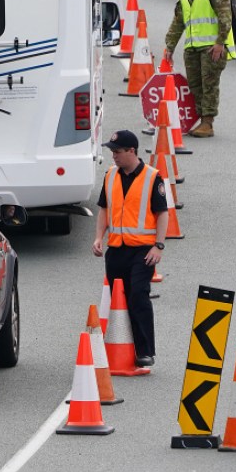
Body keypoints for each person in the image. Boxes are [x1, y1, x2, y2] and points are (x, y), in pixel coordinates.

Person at [92, 129, 169, 367]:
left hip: (143, 250)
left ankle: (145, 351)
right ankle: (121, 347)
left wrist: (158, 246)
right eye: (112, 152)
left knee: (138, 294)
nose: (113, 156)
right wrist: (98, 238)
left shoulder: (151, 177)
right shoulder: (110, 176)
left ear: (132, 151)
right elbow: (104, 209)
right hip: (116, 249)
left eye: (117, 152)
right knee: (119, 299)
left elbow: (162, 213)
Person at [162, 0, 236, 138]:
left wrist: (220, 43)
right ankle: (201, 119)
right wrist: (170, 46)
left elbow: (225, 17)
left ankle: (207, 123)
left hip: (212, 48)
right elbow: (178, 22)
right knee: (195, 86)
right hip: (192, 48)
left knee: (209, 85)